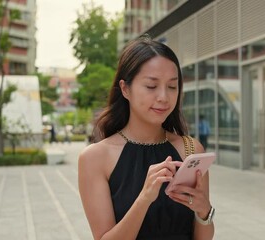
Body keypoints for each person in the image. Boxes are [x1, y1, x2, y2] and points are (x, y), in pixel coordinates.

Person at [78, 36, 215, 240]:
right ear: (125, 89)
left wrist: (205, 212)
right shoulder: (96, 158)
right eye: (151, 86)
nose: (164, 97)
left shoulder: (191, 150)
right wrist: (144, 198)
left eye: (172, 87)